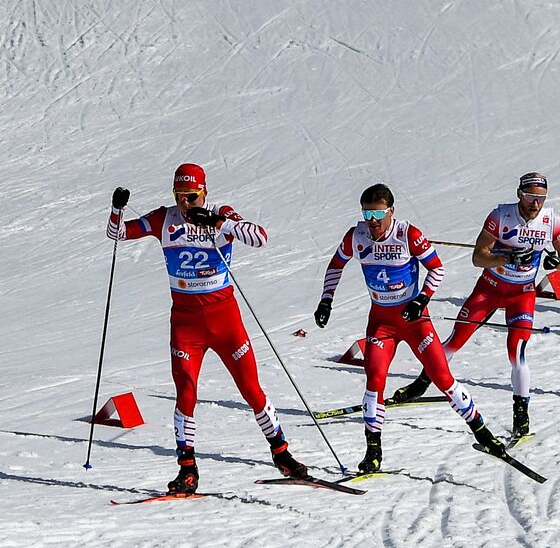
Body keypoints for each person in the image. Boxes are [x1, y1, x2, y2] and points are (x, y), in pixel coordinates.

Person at [105, 164, 307, 494]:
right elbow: (116, 234)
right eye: (180, 197)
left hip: (225, 320)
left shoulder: (220, 213)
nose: (186, 204)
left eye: (192, 196)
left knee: (251, 390)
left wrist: (216, 222)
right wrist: (116, 209)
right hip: (186, 324)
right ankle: (187, 470)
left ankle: (282, 454)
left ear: (205, 193)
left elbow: (260, 237)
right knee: (186, 393)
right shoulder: (164, 218)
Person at [314, 183, 504, 473]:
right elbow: (335, 266)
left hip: (414, 321)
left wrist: (422, 299)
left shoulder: (407, 234)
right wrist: (326, 301)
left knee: (442, 377)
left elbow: (437, 268)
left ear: (391, 211)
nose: (373, 222)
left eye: (378, 214)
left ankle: (483, 434)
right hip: (381, 323)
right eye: (367, 214)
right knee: (374, 380)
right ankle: (373, 452)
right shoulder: (357, 236)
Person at [389, 173, 560, 444]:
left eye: (541, 198)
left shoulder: (551, 221)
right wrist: (507, 255)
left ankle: (521, 414)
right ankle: (422, 383)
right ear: (519, 194)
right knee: (455, 341)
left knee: (517, 351)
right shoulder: (500, 216)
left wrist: (557, 262)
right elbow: (478, 257)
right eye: (531, 197)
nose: (536, 204)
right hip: (489, 288)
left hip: (522, 295)